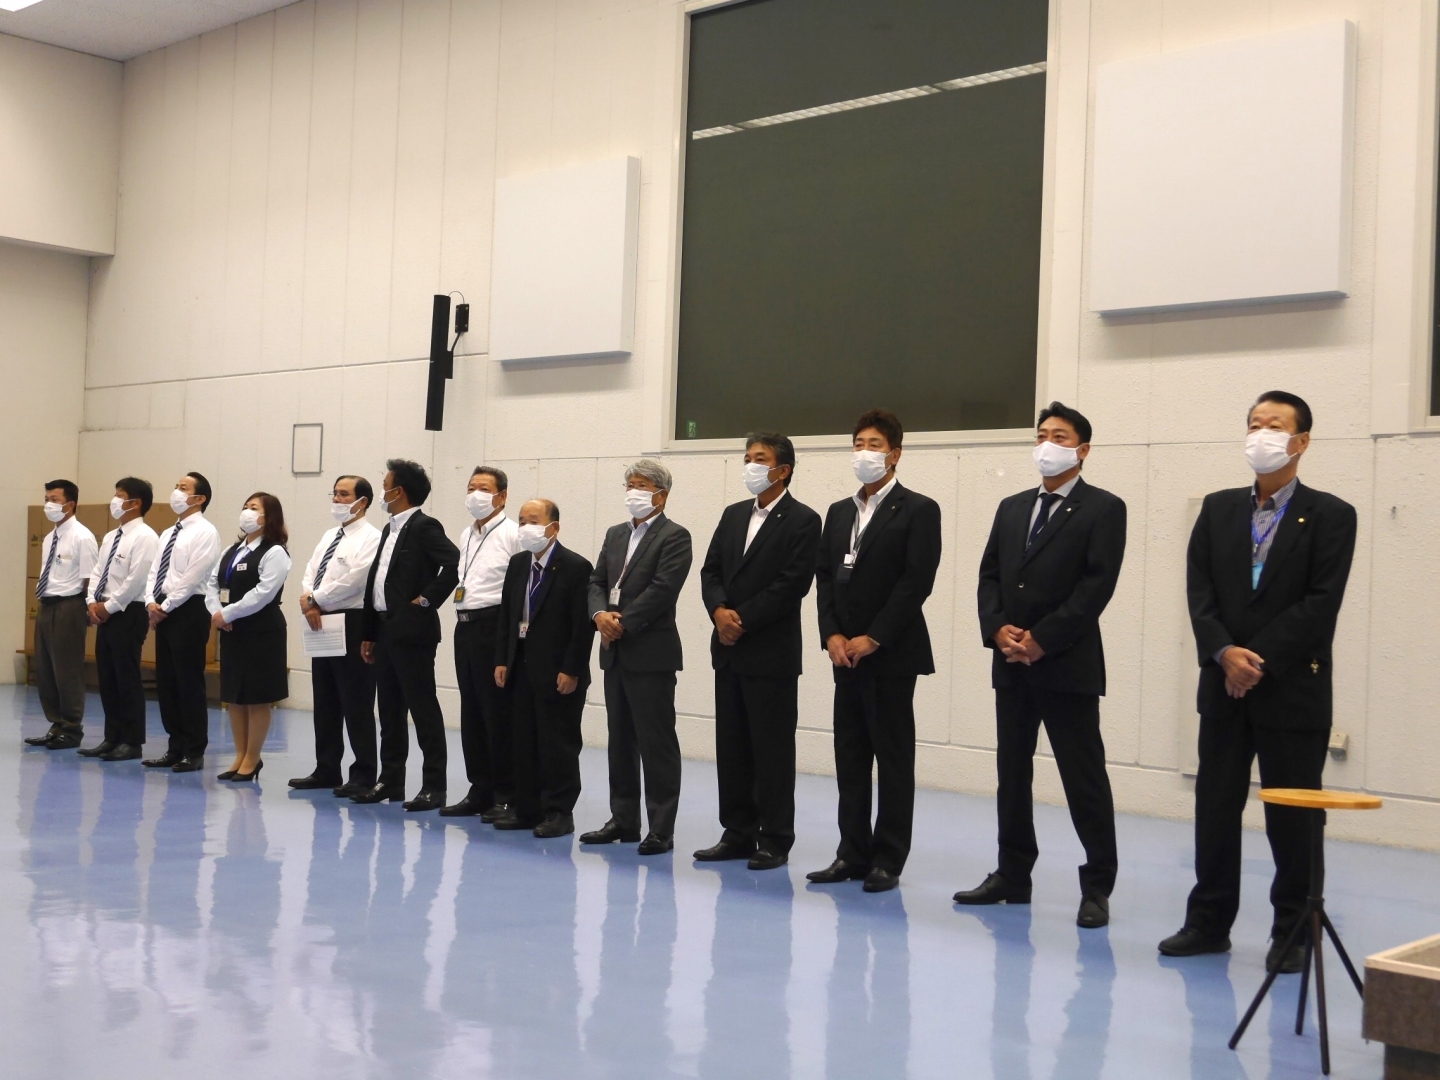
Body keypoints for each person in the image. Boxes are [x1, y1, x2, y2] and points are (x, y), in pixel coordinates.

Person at [1160, 391, 1357, 975]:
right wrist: (1225, 653)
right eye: (1253, 424)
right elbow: (1199, 592)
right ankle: (1208, 922)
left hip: (1291, 689)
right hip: (1223, 684)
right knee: (1215, 807)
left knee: (1293, 816)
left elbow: (1320, 603)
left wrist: (1258, 659)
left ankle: (1293, 930)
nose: (1261, 434)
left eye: (1274, 426)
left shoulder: (1332, 515)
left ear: (1301, 442)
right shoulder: (1219, 509)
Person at [957, 402, 1127, 929]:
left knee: (1083, 777)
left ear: (1082, 449)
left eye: (1060, 436)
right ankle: (1013, 873)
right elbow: (989, 574)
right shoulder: (1012, 507)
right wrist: (997, 628)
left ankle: (1097, 886)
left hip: (1067, 664)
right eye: (1041, 435)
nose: (1047, 444)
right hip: (1011, 664)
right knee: (1012, 773)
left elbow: (1096, 587)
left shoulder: (1104, 508)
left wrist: (1043, 640)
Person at [808, 409, 941, 893]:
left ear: (895, 454)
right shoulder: (839, 511)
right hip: (844, 654)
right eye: (859, 444)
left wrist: (875, 637)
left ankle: (888, 858)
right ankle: (851, 852)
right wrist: (831, 634)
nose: (864, 452)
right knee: (850, 756)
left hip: (891, 654)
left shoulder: (919, 509)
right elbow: (825, 577)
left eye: (874, 445)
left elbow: (916, 582)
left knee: (892, 758)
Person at [695, 432, 821, 870]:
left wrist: (741, 620)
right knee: (732, 746)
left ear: (782, 470)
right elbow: (710, 571)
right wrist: (718, 611)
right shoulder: (733, 515)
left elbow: (792, 584)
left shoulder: (804, 520)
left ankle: (775, 838)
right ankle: (737, 832)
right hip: (728, 649)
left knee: (771, 749)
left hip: (770, 652)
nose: (750, 464)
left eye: (759, 458)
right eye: (747, 457)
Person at [581, 459, 693, 854]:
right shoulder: (615, 534)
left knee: (656, 742)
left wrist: (622, 622)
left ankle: (661, 827)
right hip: (614, 652)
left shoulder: (675, 536)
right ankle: (624, 819)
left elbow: (663, 589)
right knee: (620, 740)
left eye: (642, 485)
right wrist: (599, 615)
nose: (633, 491)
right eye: (630, 484)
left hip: (650, 652)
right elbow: (596, 581)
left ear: (661, 495)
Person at [358, 458, 460, 811]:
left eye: (385, 485)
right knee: (389, 710)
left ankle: (434, 786)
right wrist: (370, 631)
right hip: (385, 630)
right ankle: (391, 779)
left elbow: (454, 562)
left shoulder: (424, 526)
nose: (382, 491)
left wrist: (425, 600)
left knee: (422, 708)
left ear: (398, 491)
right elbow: (378, 582)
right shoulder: (389, 529)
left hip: (413, 632)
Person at [493, 499, 596, 836]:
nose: (526, 527)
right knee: (523, 740)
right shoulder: (518, 563)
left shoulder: (575, 566)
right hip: (521, 666)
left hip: (558, 670)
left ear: (554, 527)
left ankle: (558, 812)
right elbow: (508, 615)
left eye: (534, 521)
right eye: (522, 521)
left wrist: (572, 669)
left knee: (558, 743)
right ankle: (527, 808)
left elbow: (582, 626)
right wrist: (502, 659)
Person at [290, 475, 381, 796]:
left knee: (356, 701)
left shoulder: (372, 538)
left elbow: (356, 580)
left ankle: (363, 774)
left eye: (344, 495)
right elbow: (311, 571)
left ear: (362, 502)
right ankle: (326, 769)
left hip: (352, 621)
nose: (337, 500)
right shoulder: (330, 535)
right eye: (335, 494)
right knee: (325, 699)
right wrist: (309, 600)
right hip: (320, 619)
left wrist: (315, 599)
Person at [441, 466, 521, 819]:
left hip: (494, 625)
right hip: (465, 626)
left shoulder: (513, 534)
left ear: (502, 496)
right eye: (471, 487)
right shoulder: (467, 534)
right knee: (471, 710)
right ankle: (480, 788)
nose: (475, 494)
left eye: (484, 489)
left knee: (497, 712)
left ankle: (505, 792)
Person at [206, 493, 292, 782]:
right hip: (232, 630)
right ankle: (240, 754)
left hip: (261, 630)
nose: (247, 512)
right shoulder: (233, 550)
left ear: (269, 517)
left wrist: (229, 613)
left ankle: (253, 758)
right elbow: (212, 584)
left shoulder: (275, 552)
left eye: (254, 508)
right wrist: (217, 612)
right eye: (245, 506)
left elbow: (264, 592)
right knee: (235, 697)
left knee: (257, 697)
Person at [143, 473, 221, 772]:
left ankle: (193, 750)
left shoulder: (205, 532)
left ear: (199, 499)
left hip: (188, 609)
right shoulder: (168, 532)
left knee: (188, 681)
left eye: (183, 488)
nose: (176, 492)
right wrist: (150, 602)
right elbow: (155, 571)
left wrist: (165, 606)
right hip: (162, 607)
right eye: (176, 486)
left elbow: (193, 577)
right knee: (167, 681)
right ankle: (174, 746)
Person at [79, 478, 160, 761]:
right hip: (105, 611)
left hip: (128, 612)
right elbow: (98, 571)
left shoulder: (146, 537)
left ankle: (132, 741)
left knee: (126, 676)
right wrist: (91, 602)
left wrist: (109, 607)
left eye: (120, 496)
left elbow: (137, 580)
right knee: (108, 676)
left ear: (135, 503)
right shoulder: (112, 536)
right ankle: (112, 737)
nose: (114, 501)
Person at [24, 480, 98, 750]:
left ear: (70, 504)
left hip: (69, 605)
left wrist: (88, 607)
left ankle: (71, 727)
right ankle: (55, 723)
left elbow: (90, 578)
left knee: (67, 669)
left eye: (54, 500)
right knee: (46, 669)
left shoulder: (82, 537)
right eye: (46, 499)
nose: (48, 504)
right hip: (47, 603)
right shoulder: (49, 538)